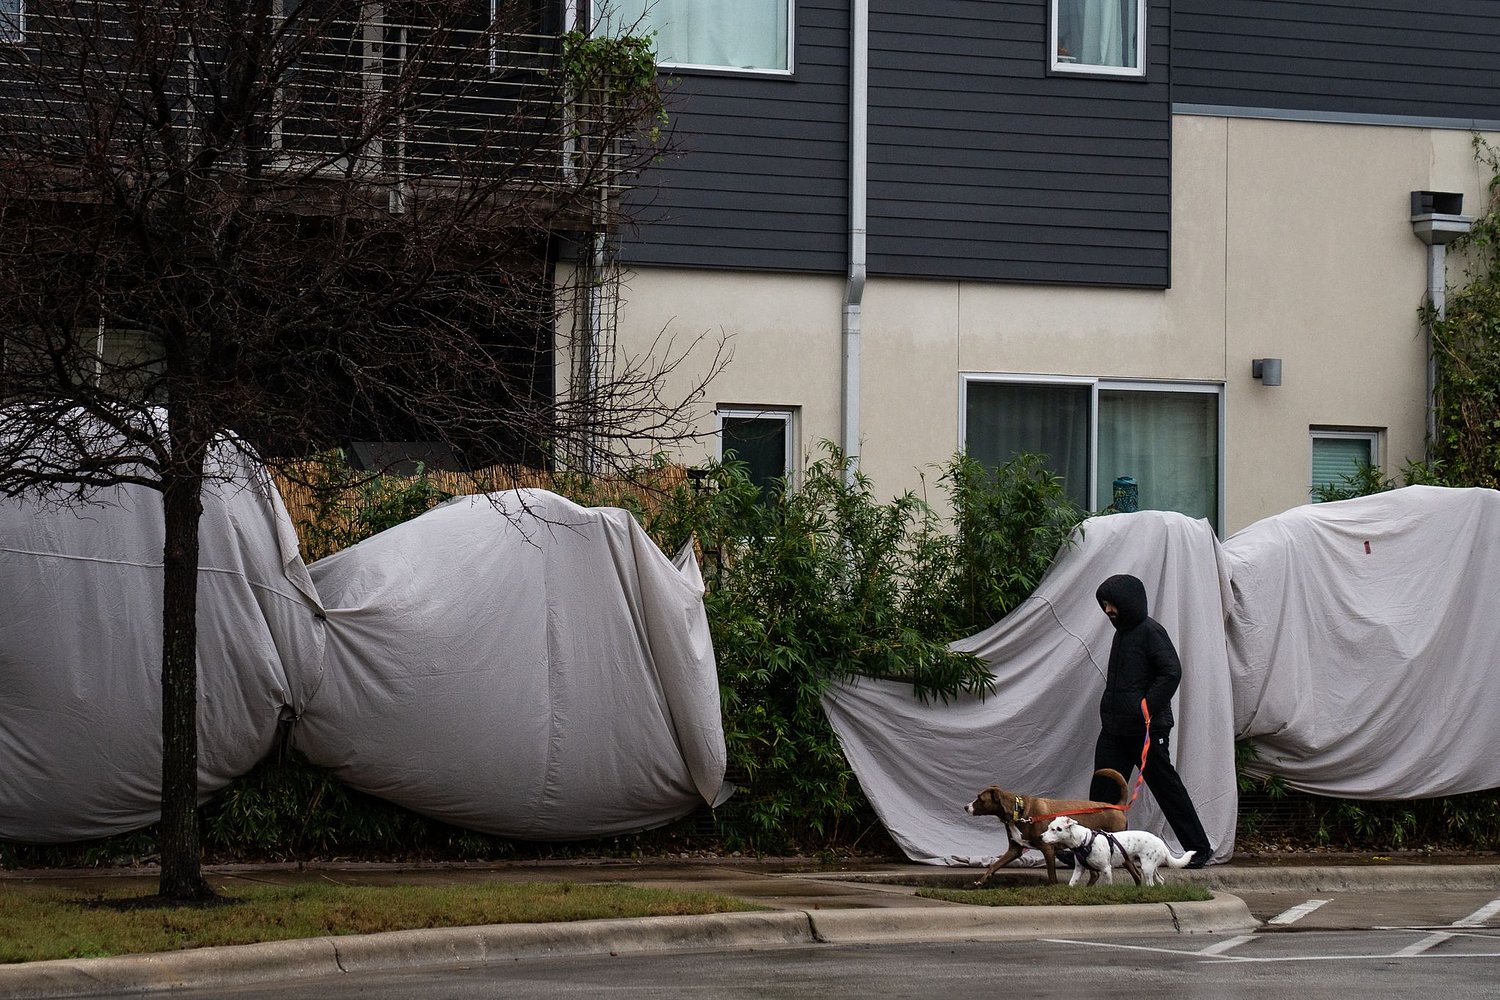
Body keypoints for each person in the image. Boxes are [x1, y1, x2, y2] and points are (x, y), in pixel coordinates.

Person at [1088, 573, 1211, 867]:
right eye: (1105, 604)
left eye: (1112, 604)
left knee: (1167, 789)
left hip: (1146, 730)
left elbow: (1171, 672)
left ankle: (1198, 849)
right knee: (1103, 790)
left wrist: (1145, 708)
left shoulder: (1151, 632)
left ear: (1128, 602)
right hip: (1114, 729)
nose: (1107, 610)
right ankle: (1092, 852)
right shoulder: (1121, 633)